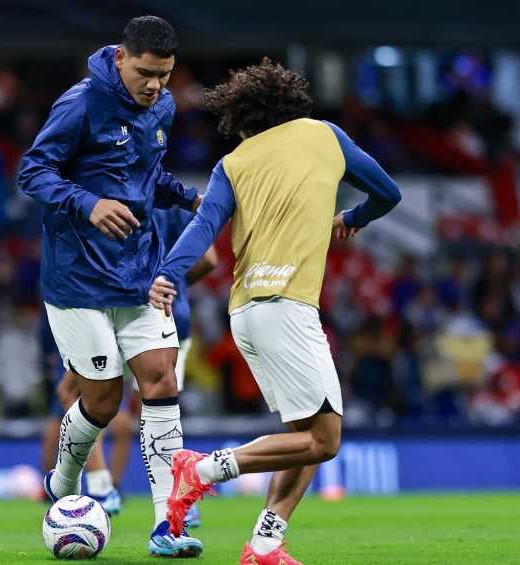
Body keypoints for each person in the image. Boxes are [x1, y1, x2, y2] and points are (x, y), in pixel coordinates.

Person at [148, 59, 401, 565]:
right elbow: (388, 193)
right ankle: (202, 470)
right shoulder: (324, 135)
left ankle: (265, 543)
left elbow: (203, 229)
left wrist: (169, 274)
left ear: (243, 121)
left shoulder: (233, 163)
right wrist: (354, 217)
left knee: (308, 434)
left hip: (247, 312)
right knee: (325, 441)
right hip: (287, 307)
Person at [17, 15, 204, 557]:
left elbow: (148, 179)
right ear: (121, 58)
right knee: (102, 399)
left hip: (139, 271)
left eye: (165, 76)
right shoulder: (80, 104)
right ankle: (64, 480)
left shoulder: (162, 108)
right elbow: (32, 171)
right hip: (76, 277)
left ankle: (169, 526)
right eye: (146, 73)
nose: (155, 86)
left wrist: (189, 197)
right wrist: (88, 202)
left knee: (161, 381)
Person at [41, 206, 217, 522]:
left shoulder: (107, 194)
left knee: (75, 393)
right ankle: (174, 504)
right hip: (171, 315)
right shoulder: (172, 199)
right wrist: (171, 281)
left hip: (118, 308)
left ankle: (103, 486)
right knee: (160, 402)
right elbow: (209, 259)